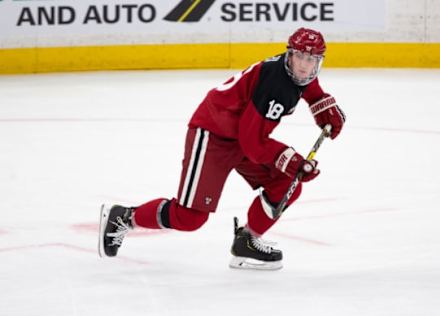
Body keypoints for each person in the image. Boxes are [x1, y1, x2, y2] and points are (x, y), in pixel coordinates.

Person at [98, 27, 346, 270]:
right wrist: (293, 161)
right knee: (190, 218)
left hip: (240, 135)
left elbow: (308, 87)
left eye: (312, 59)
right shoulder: (275, 84)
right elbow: (253, 144)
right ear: (289, 54)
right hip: (213, 134)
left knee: (286, 184)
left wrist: (320, 103)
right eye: (300, 57)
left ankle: (247, 242)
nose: (304, 65)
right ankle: (123, 216)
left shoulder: (293, 72)